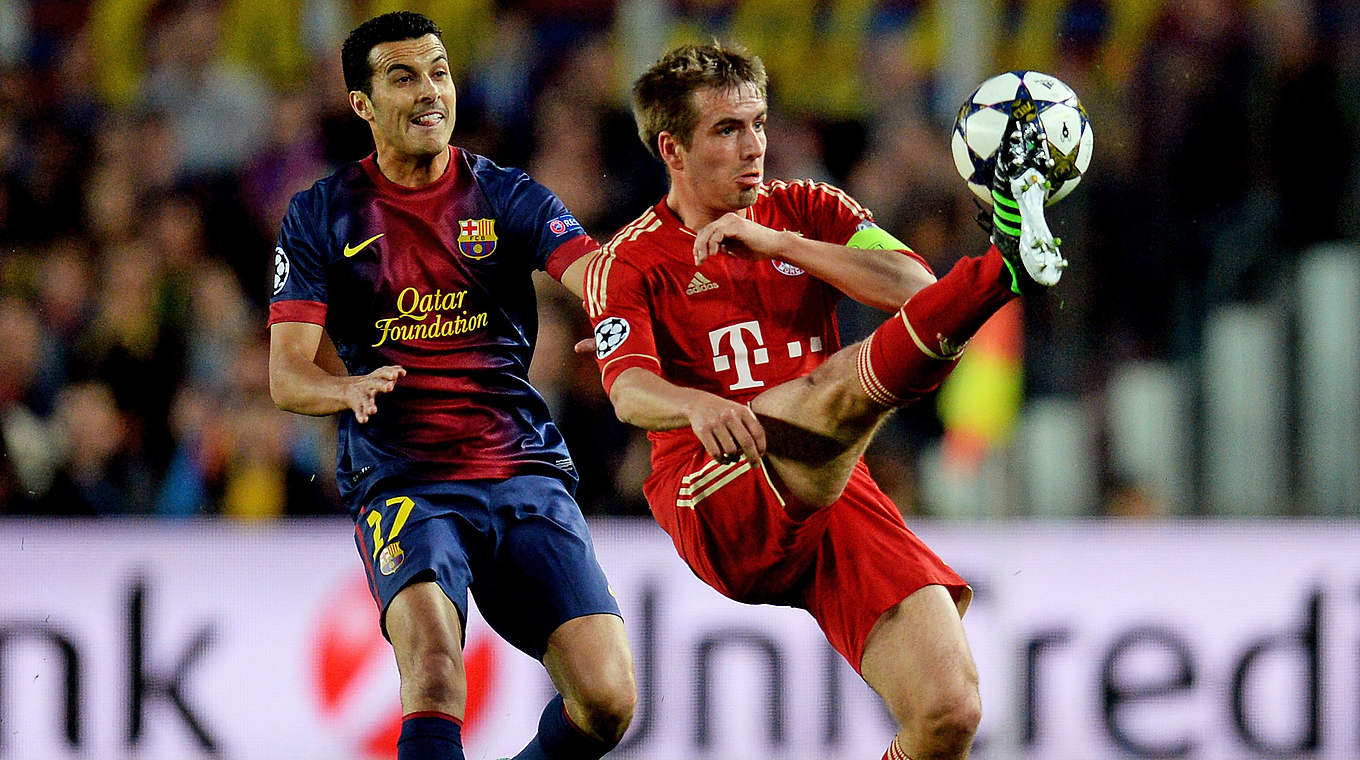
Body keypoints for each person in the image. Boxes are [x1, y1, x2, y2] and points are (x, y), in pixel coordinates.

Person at [584, 43, 1063, 760]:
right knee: (839, 386)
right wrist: (696, 406)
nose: (753, 147)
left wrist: (781, 242)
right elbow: (627, 390)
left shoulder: (806, 207)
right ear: (672, 150)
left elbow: (913, 290)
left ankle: (1002, 264)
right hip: (716, 489)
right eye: (726, 130)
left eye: (759, 123)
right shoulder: (628, 260)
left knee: (949, 712)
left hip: (834, 485)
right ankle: (1002, 266)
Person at [266, 12, 635, 760]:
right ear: (363, 104)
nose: (430, 91)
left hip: (521, 469)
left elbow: (595, 269)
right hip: (405, 478)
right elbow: (287, 373)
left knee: (607, 701)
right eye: (403, 77)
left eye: (439, 71)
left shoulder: (503, 195)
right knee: (434, 670)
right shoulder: (322, 215)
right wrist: (346, 391)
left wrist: (618, 311)